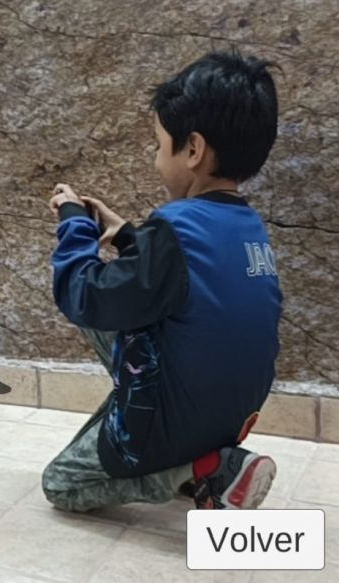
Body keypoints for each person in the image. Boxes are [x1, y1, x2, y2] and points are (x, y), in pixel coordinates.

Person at [43, 51, 283, 511]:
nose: (156, 159)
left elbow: (84, 296)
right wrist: (132, 238)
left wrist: (74, 222)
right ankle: (212, 470)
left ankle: (199, 469)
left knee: (61, 485)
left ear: (193, 150)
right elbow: (196, 286)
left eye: (158, 145)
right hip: (229, 414)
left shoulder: (176, 225)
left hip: (178, 421)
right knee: (120, 299)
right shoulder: (247, 225)